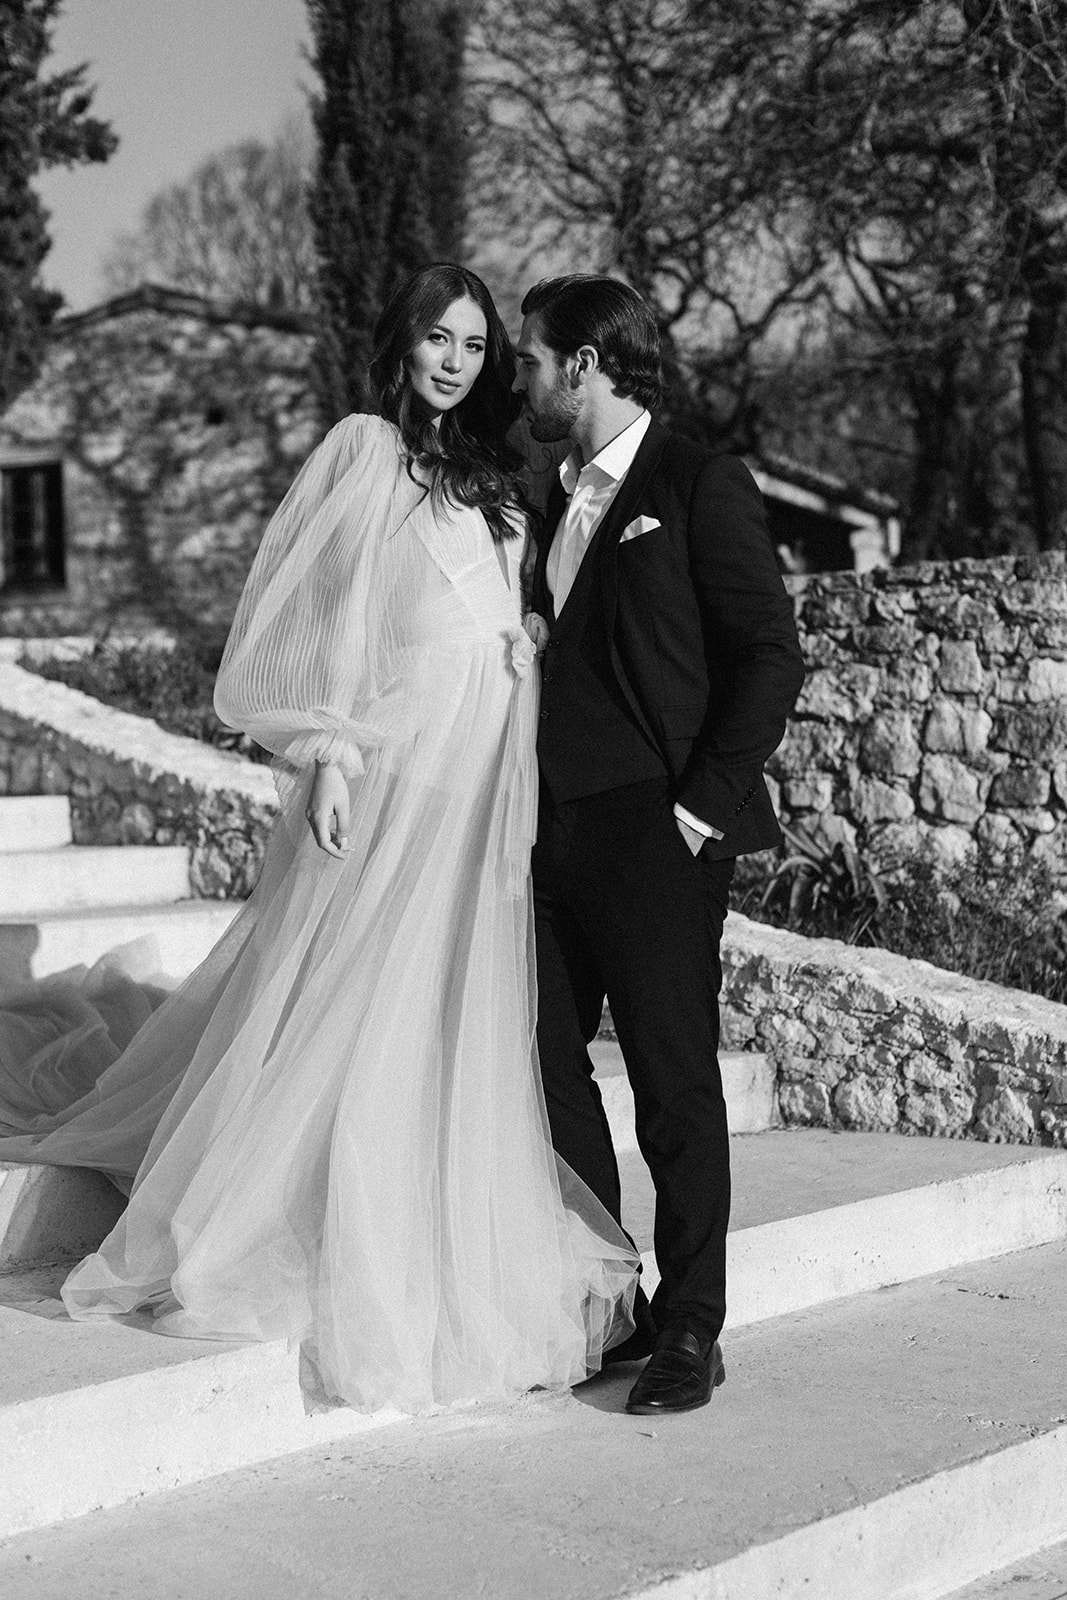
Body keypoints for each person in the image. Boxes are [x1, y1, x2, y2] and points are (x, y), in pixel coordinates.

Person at [0, 263, 637, 1413]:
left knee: (450, 1005)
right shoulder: (361, 450)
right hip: (395, 759)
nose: (454, 359)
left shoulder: (500, 474)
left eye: (475, 344)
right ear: (397, 343)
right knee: (356, 992)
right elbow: (312, 626)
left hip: (485, 773)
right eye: (435, 338)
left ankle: (428, 1202)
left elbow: (503, 603)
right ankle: (313, 1210)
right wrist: (328, 753)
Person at [513, 274, 805, 1415]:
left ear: (584, 363)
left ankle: (691, 1322)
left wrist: (697, 811)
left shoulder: (694, 481)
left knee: (672, 1085)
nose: (521, 378)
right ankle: (609, 1298)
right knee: (543, 1069)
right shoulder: (546, 500)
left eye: (533, 358)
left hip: (659, 833)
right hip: (548, 837)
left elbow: (766, 653)